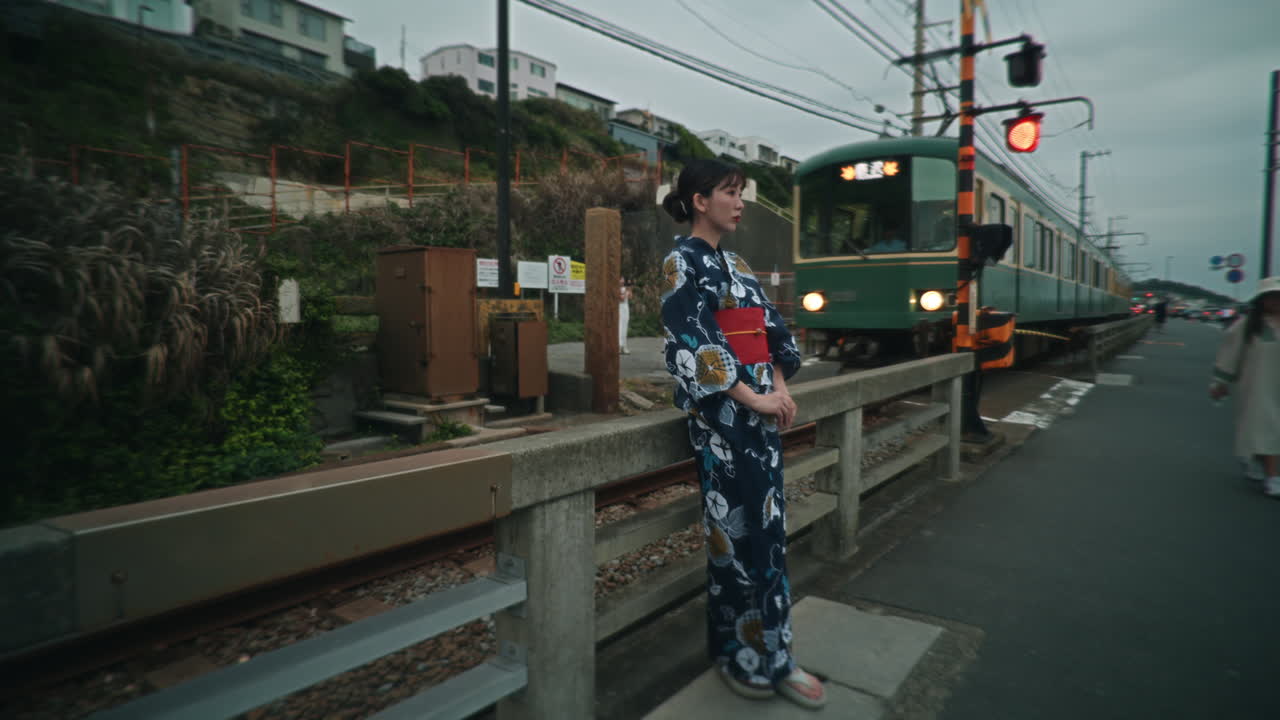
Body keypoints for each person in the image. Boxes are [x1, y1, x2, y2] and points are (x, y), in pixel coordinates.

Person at [659, 158, 825, 710]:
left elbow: (773, 334)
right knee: (733, 543)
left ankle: (777, 656)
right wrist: (751, 396)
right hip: (723, 425)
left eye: (741, 192)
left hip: (762, 421)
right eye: (730, 192)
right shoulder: (680, 263)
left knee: (770, 540)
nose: (740, 201)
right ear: (700, 200)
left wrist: (778, 387)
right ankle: (738, 653)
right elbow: (690, 340)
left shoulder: (738, 264)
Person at [1209, 276, 1280, 496]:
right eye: (1271, 298)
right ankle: (1273, 477)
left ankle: (1255, 459)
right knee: (1268, 428)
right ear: (1261, 301)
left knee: (1267, 432)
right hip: (1258, 386)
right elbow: (1231, 354)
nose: (1276, 302)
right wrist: (1220, 382)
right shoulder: (1248, 325)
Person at [619, 277, 632, 355]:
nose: (622, 281)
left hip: (626, 308)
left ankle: (624, 346)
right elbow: (621, 299)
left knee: (625, 326)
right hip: (619, 308)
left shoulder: (625, 288)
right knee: (619, 327)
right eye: (621, 279)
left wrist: (629, 287)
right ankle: (619, 346)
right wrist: (625, 291)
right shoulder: (616, 288)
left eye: (623, 279)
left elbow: (630, 297)